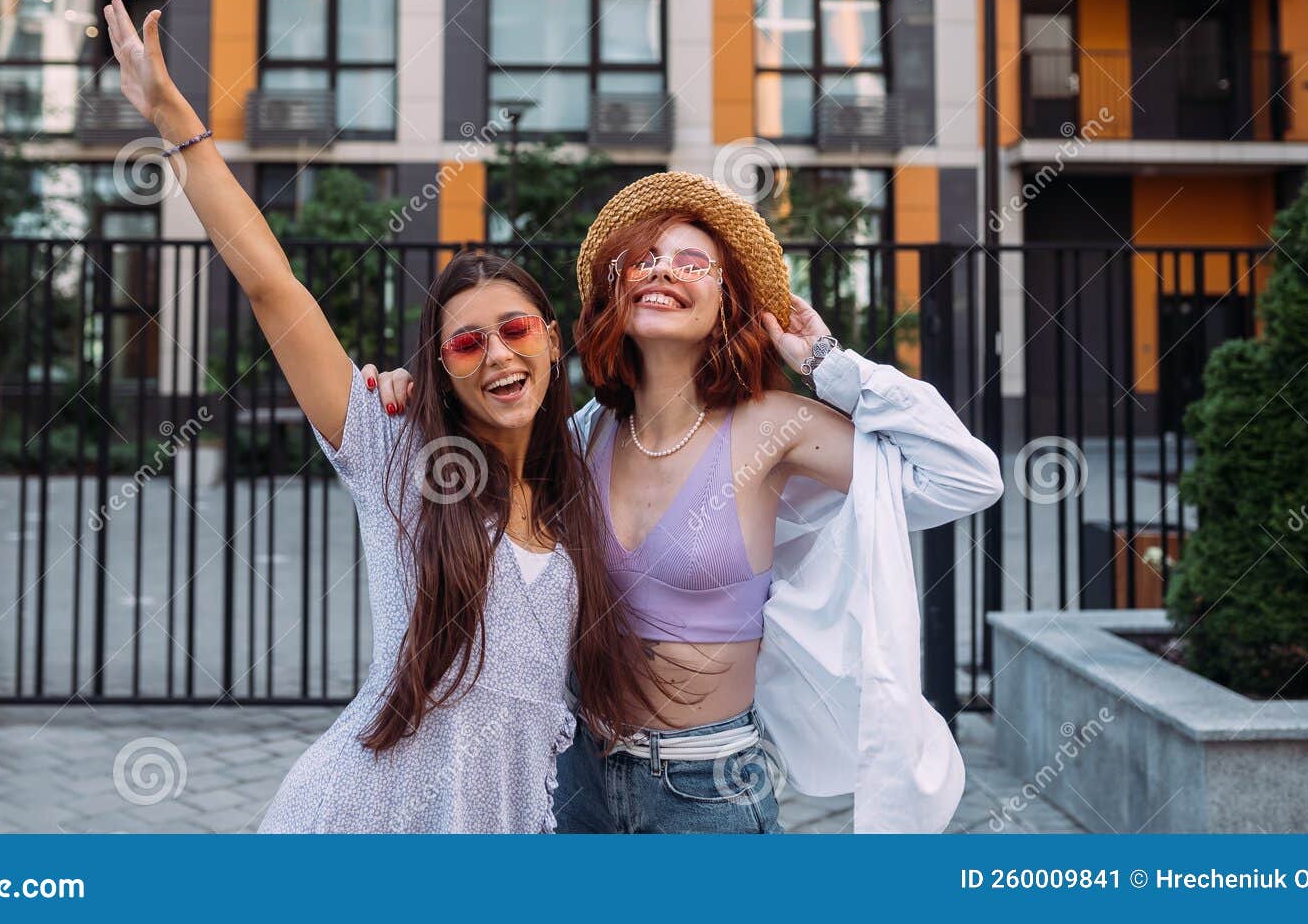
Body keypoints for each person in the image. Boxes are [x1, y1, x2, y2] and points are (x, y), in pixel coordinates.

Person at [100, 0, 656, 832]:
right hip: (361, 818)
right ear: (439, 367)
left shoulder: (581, 478)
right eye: (467, 344)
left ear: (551, 339)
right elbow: (272, 286)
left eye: (513, 331)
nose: (498, 355)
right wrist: (181, 127)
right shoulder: (393, 448)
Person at [374, 172, 1004, 833]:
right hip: (578, 772)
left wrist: (826, 361)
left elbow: (964, 475)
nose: (663, 271)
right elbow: (476, 450)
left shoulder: (775, 426)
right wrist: (407, 394)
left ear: (727, 299)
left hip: (707, 788)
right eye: (643, 258)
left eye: (692, 261)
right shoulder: (585, 434)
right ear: (616, 293)